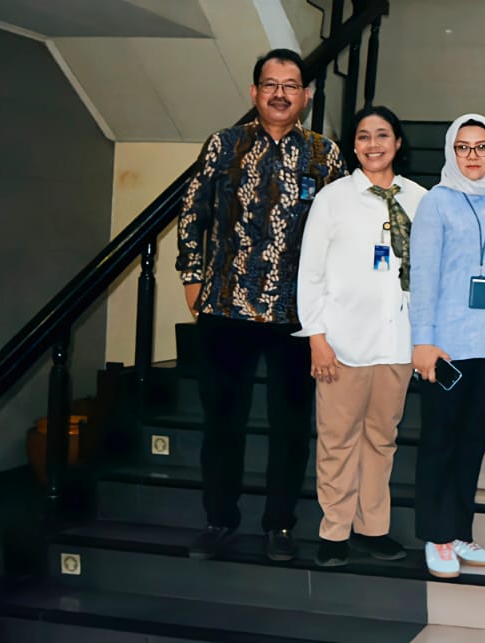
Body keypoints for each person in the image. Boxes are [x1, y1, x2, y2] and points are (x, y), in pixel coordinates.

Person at [176, 48, 345, 562]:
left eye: (290, 85)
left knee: (290, 427)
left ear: (306, 96)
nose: (279, 94)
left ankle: (280, 525)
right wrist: (192, 277)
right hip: (226, 308)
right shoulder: (224, 144)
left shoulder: (325, 155)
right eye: (270, 84)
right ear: (254, 92)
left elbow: (343, 233)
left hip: (297, 315)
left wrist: (332, 305)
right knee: (222, 423)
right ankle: (219, 519)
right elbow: (193, 212)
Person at [295, 106, 425, 568]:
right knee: (338, 441)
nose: (374, 144)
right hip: (342, 344)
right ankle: (334, 532)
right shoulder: (333, 198)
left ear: (398, 143)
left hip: (398, 343)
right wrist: (317, 337)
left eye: (382, 135)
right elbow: (310, 273)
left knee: (381, 440)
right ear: (354, 146)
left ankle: (373, 529)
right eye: (364, 136)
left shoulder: (420, 199)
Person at [409, 114, 485, 578]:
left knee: (474, 442)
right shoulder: (436, 202)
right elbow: (423, 277)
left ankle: (459, 530)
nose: (472, 156)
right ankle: (436, 534)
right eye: (463, 147)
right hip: (447, 349)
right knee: (440, 440)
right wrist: (423, 341)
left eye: (481, 147)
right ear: (451, 152)